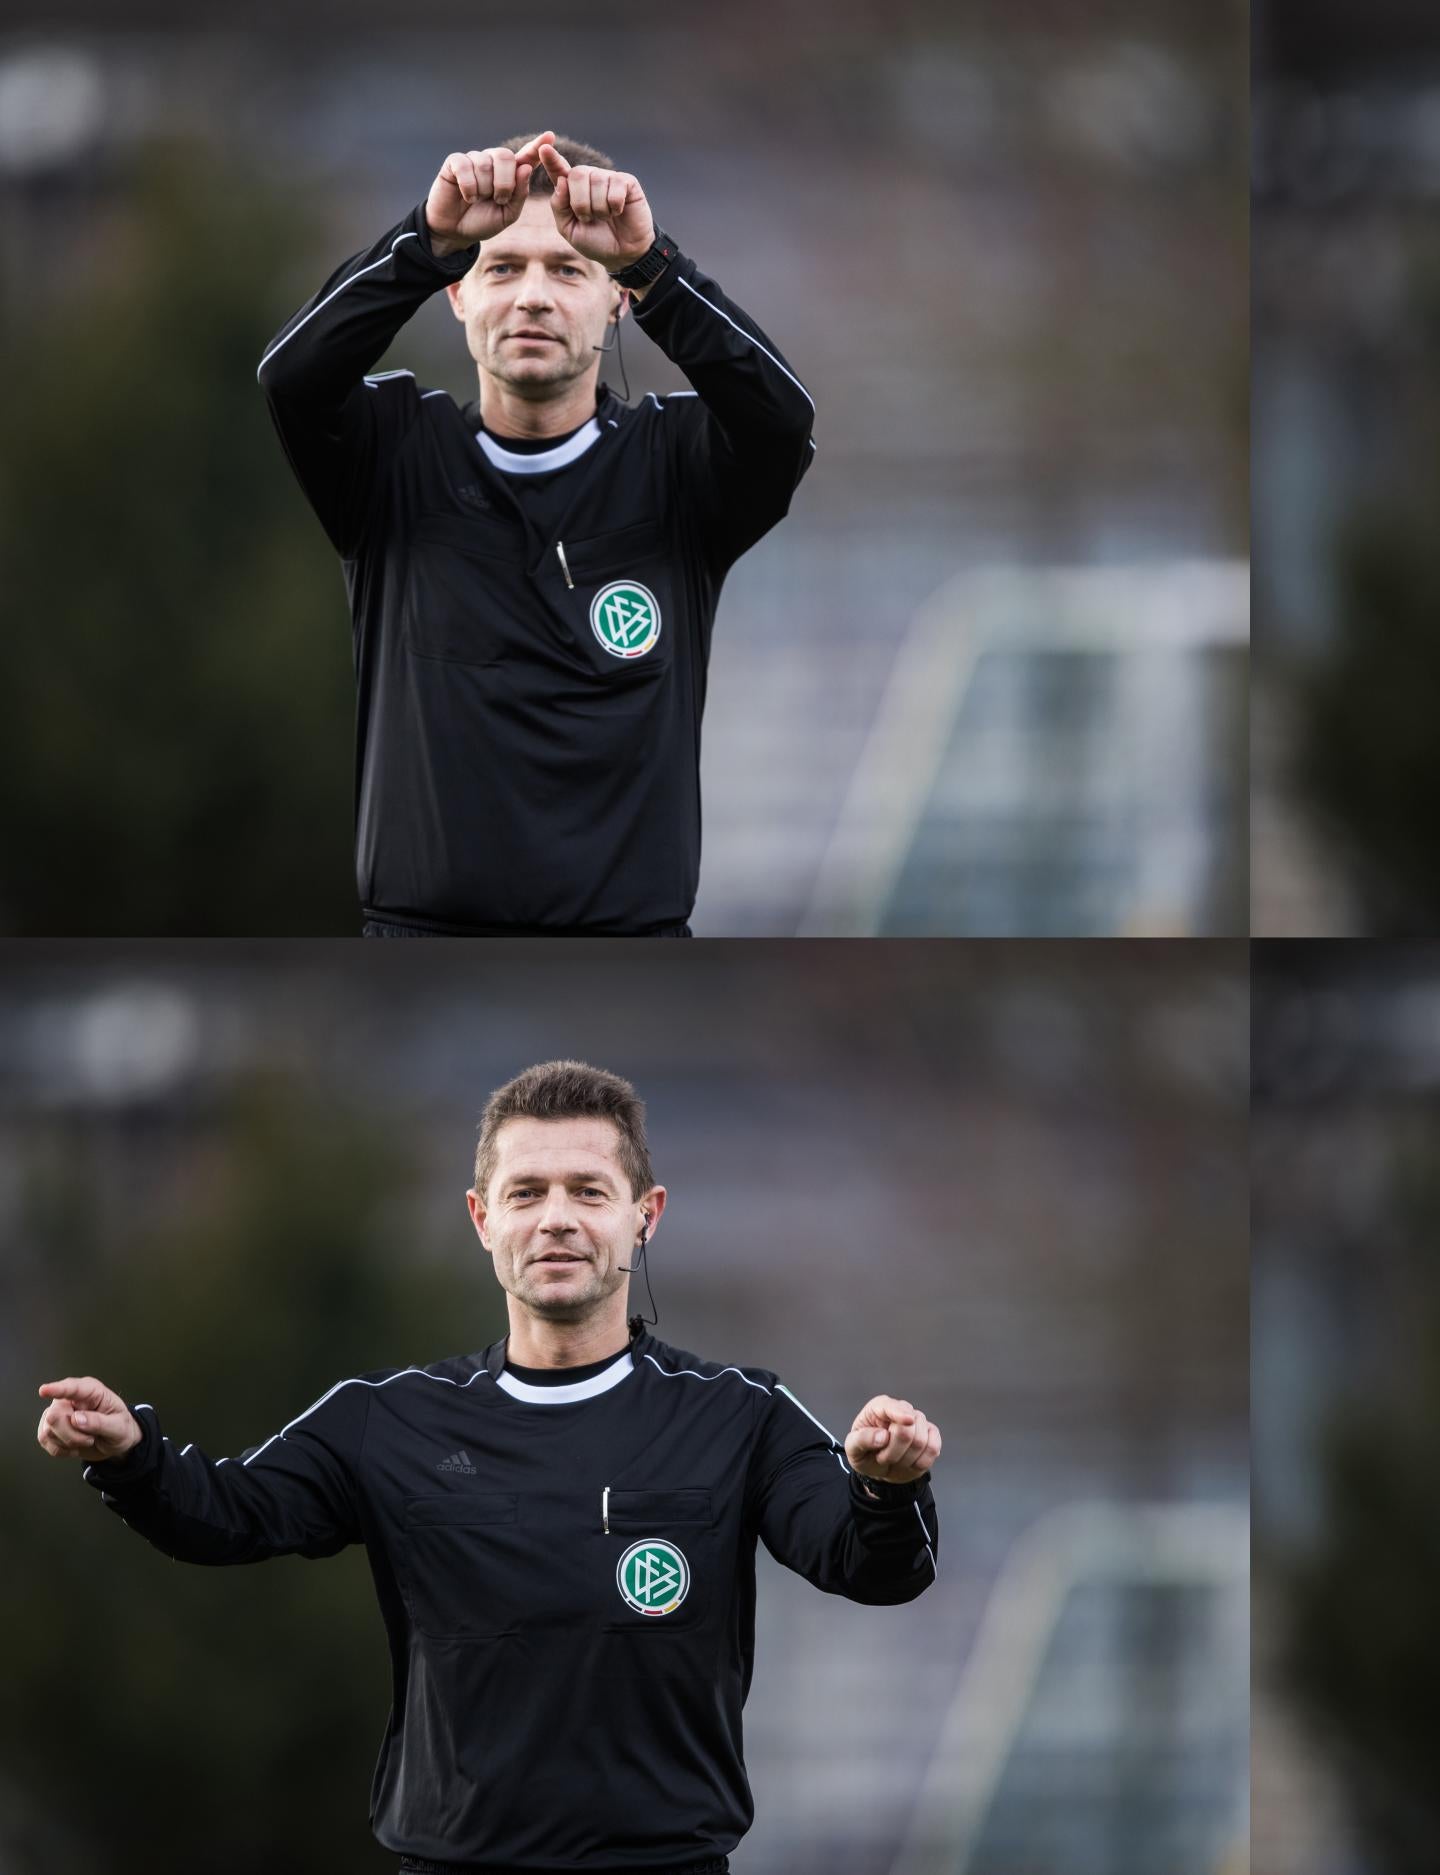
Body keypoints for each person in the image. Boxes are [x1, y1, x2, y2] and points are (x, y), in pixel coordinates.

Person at [35, 1059, 936, 1874]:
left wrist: (887, 1486)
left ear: (644, 1215)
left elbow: (869, 1563)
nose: (557, 1218)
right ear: (482, 1218)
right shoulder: (385, 1419)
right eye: (526, 1191)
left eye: (589, 1190)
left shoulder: (740, 1414)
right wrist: (132, 1456)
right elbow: (227, 1513)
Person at [258, 133, 817, 935]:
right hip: (419, 938)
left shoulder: (678, 470)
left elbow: (782, 422)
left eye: (567, 269)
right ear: (458, 294)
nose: (532, 296)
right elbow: (290, 376)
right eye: (500, 267)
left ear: (616, 299)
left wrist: (654, 261)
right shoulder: (389, 456)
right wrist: (425, 239)